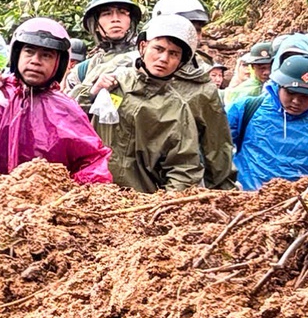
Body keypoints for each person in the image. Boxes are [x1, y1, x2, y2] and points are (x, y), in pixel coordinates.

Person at [0, 17, 111, 184]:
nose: (35, 61)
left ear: (59, 63)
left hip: (47, 205)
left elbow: (92, 163)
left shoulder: (66, 110)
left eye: (46, 55)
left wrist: (72, 196)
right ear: (17, 54)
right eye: (29, 51)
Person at [87, 15, 216, 192]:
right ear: (143, 47)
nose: (163, 58)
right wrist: (92, 93)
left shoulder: (177, 109)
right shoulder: (113, 81)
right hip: (89, 193)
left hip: (140, 201)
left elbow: (184, 168)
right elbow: (69, 117)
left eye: (173, 54)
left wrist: (165, 204)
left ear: (181, 62)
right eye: (158, 49)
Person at [143, 0, 238, 190]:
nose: (192, 35)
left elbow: (217, 147)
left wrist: (225, 194)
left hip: (179, 187)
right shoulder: (128, 72)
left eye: (197, 30)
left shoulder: (202, 86)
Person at [229, 51, 308, 190]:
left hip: (297, 206)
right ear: (278, 86)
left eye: (306, 96)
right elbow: (215, 147)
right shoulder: (246, 109)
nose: (296, 101)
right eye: (290, 92)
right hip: (246, 202)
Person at [70, 0, 142, 88]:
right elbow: (69, 103)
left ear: (130, 21)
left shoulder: (147, 58)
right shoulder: (82, 71)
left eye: (122, 12)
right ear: (95, 25)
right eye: (106, 14)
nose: (115, 19)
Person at [225, 42, 273, 106]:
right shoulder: (242, 92)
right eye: (261, 68)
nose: (267, 72)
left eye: (270, 67)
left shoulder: (281, 87)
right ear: (253, 67)